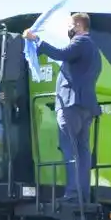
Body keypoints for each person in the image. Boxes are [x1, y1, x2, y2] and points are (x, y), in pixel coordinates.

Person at [23, 12, 102, 204]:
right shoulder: (94, 50)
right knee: (83, 152)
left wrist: (36, 40)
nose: (68, 29)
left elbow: (60, 54)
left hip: (71, 104)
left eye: (70, 25)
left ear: (79, 26)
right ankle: (82, 194)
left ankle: (73, 195)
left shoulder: (81, 42)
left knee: (70, 149)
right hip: (86, 107)